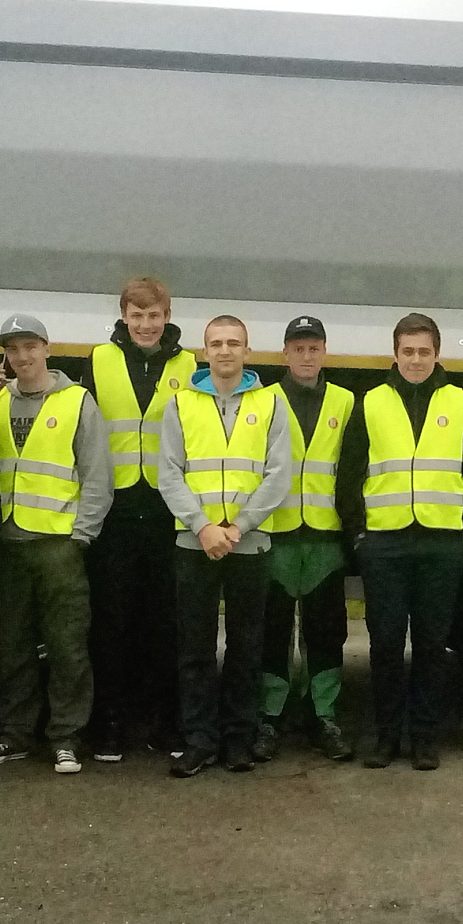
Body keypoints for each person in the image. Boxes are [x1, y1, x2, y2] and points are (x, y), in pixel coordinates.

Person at [337, 314, 463, 771]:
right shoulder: (371, 402)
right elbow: (349, 475)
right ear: (396, 353)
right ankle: (386, 738)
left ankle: (424, 738)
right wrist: (359, 536)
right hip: (384, 544)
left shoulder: (461, 402)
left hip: (442, 545)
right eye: (408, 351)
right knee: (384, 646)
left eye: (425, 351)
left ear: (437, 354)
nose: (416, 360)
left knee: (431, 647)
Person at [0, 314, 111, 775]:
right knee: (12, 647)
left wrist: (81, 536)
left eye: (29, 346)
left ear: (47, 349)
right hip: (7, 545)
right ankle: (13, 735)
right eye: (12, 349)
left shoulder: (77, 401)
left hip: (58, 545)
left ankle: (66, 738)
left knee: (68, 647)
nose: (21, 356)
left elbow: (98, 476)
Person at [157, 316, 292, 776]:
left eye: (234, 343)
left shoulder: (271, 402)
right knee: (194, 650)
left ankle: (239, 739)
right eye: (216, 343)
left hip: (248, 544)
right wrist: (203, 527)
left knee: (246, 648)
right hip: (195, 543)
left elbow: (279, 474)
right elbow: (169, 473)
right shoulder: (181, 403)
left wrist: (239, 526)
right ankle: (199, 741)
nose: (225, 351)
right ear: (204, 352)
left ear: (247, 352)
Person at [81, 276, 198, 762]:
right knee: (111, 622)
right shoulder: (98, 360)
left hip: (168, 510)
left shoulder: (189, 365)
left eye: (153, 316)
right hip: (117, 508)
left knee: (166, 623)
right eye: (136, 315)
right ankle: (109, 723)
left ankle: (164, 723)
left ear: (167, 317)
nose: (145, 325)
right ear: (123, 317)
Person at [255, 316, 356, 763]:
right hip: (275, 533)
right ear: (285, 353)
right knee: (272, 630)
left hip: (325, 534)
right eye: (298, 348)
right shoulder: (263, 400)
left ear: (325, 351)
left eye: (314, 348)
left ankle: (324, 716)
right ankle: (269, 716)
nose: (307, 356)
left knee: (326, 631)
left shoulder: (346, 401)